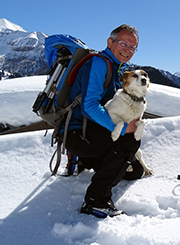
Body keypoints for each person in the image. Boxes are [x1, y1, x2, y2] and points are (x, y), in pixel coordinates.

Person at [65, 24, 145, 218]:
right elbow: (89, 106)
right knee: (130, 139)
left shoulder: (117, 68)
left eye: (133, 47)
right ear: (110, 42)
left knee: (134, 171)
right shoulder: (99, 63)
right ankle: (96, 201)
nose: (128, 50)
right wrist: (122, 128)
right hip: (79, 133)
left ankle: (86, 160)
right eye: (124, 43)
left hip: (94, 133)